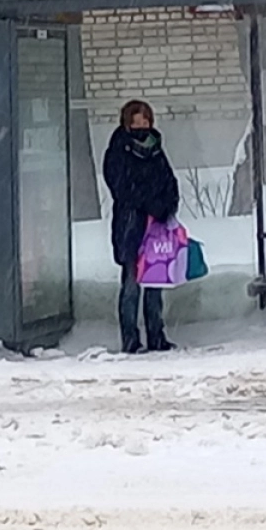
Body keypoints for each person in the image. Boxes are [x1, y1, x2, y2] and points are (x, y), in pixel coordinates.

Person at [103, 100, 180, 354]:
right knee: (131, 284)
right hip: (130, 226)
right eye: (136, 122)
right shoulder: (118, 149)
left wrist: (166, 206)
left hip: (155, 227)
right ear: (126, 123)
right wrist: (148, 203)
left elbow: (169, 182)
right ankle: (130, 339)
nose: (141, 127)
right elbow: (121, 187)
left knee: (155, 284)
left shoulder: (156, 149)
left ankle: (157, 336)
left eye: (145, 121)